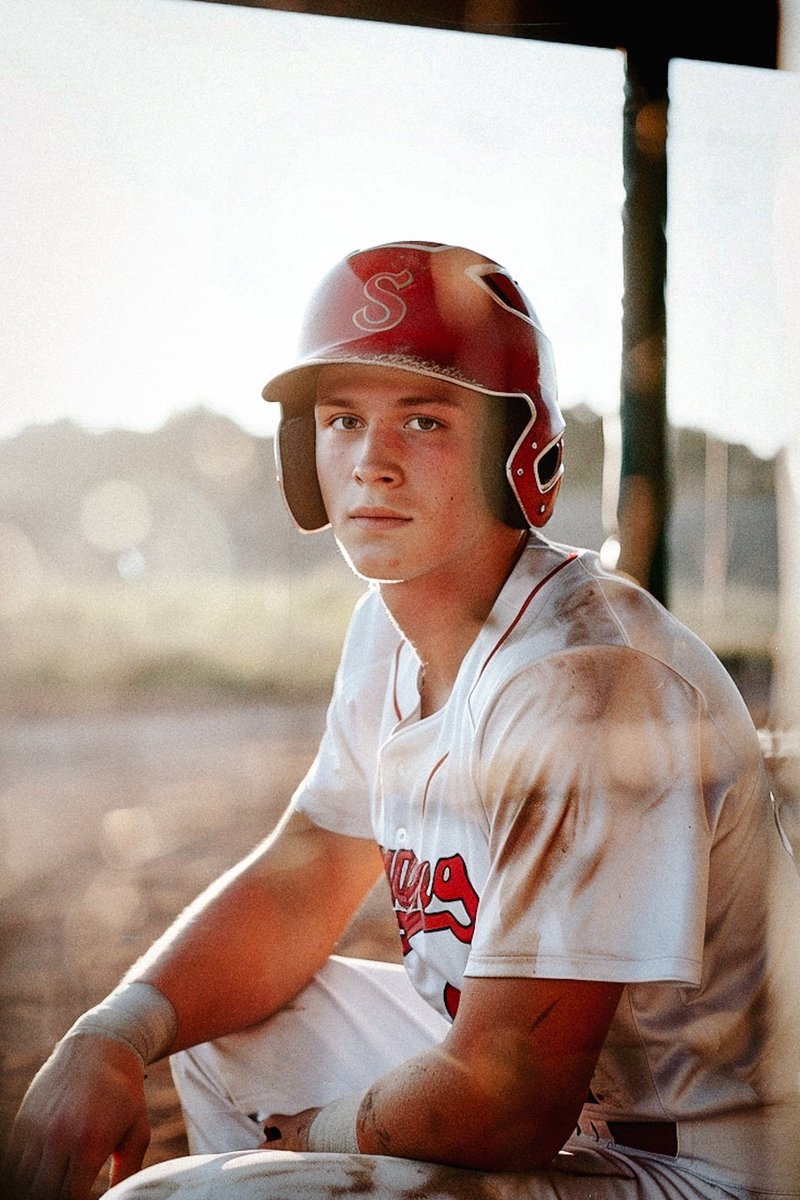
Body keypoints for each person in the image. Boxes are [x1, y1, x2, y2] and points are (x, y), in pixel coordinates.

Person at [5, 240, 800, 1200]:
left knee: (180, 1196)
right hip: (574, 1108)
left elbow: (510, 1099)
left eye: (422, 419)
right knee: (216, 1033)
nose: (371, 461)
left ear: (512, 449)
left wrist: (315, 1138)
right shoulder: (390, 626)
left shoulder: (588, 681)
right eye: (343, 420)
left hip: (706, 1161)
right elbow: (305, 875)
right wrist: (112, 1031)